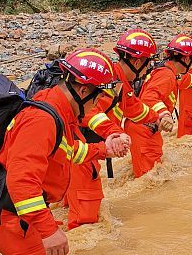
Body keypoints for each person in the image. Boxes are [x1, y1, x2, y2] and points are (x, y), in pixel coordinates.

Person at [0, 48, 130, 255]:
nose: (99, 106)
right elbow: (21, 181)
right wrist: (48, 230)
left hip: (10, 215)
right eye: (99, 97)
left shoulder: (56, 106)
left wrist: (103, 150)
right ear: (84, 90)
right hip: (11, 217)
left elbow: (66, 153)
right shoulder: (43, 119)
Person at [65, 29, 158, 229]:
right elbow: (90, 113)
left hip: (78, 150)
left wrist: (158, 117)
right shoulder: (107, 83)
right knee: (86, 221)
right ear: (136, 62)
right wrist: (115, 133)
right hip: (82, 152)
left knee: (69, 205)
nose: (148, 69)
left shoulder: (119, 83)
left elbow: (135, 110)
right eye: (148, 62)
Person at [126, 35, 192, 177]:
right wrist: (165, 114)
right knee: (149, 181)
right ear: (185, 59)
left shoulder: (166, 71)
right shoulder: (166, 74)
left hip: (145, 128)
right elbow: (149, 97)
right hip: (144, 130)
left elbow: (180, 83)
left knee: (151, 173)